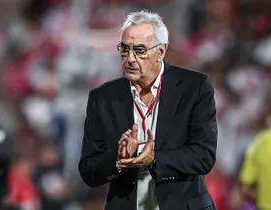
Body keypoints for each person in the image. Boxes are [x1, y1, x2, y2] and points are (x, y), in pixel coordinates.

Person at [79, 10, 218, 210]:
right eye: (124, 49)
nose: (130, 59)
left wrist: (155, 159)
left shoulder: (195, 87)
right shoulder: (102, 98)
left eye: (140, 50)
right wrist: (118, 159)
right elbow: (88, 170)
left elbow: (203, 155)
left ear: (160, 52)